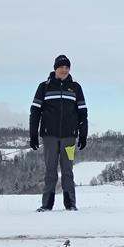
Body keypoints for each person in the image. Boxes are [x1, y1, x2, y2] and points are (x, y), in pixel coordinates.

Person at [30, 55, 88, 212]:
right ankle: (46, 205)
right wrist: (33, 134)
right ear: (55, 68)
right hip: (49, 137)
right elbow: (35, 112)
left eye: (67, 67)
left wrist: (83, 134)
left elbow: (83, 113)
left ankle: (70, 204)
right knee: (50, 171)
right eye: (61, 67)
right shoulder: (44, 87)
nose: (64, 70)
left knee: (68, 171)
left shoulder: (75, 88)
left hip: (69, 137)